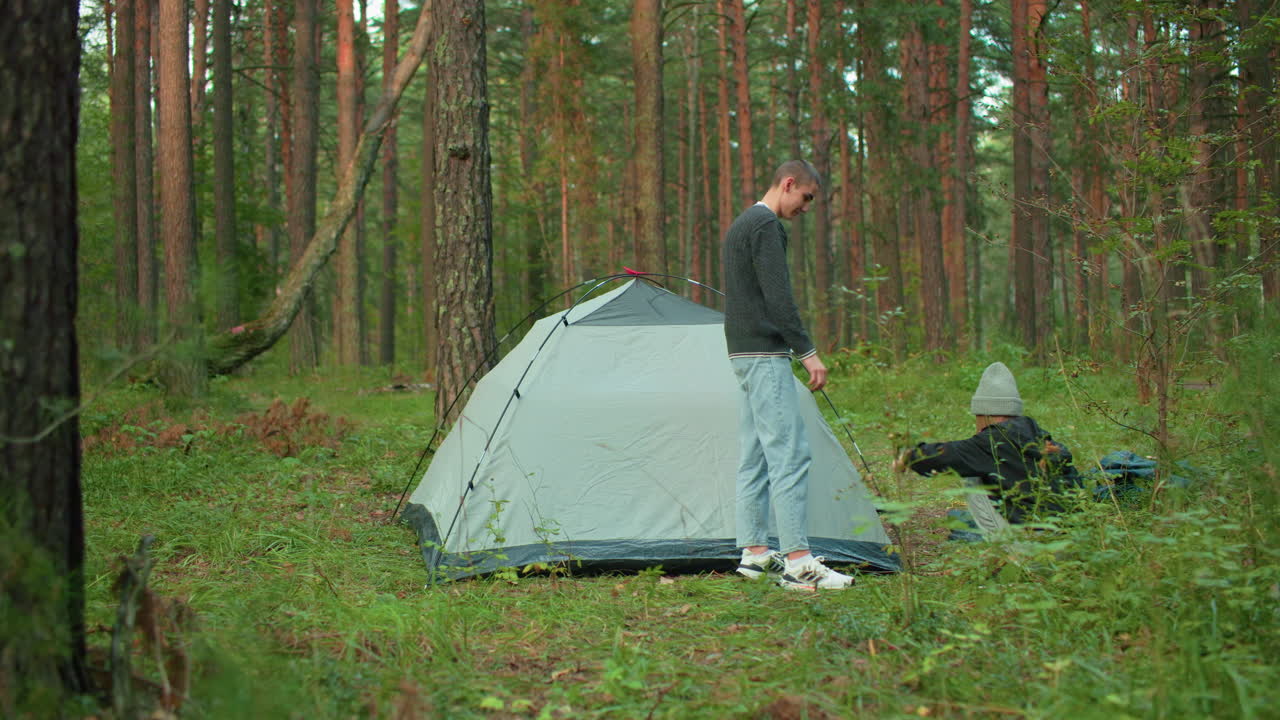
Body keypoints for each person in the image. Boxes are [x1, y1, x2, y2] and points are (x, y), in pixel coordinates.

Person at [723, 160, 854, 591]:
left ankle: (756, 554)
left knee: (755, 454)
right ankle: (799, 562)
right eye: (807, 198)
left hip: (741, 354)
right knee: (789, 455)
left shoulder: (741, 224)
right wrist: (809, 352)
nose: (807, 207)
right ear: (789, 183)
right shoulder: (765, 226)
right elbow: (779, 296)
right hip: (763, 354)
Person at [893, 361, 1081, 534]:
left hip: (1032, 545)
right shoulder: (1039, 436)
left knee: (973, 477)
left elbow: (943, 456)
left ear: (983, 413)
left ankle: (1009, 554)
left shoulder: (991, 441)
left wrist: (907, 456)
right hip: (1068, 540)